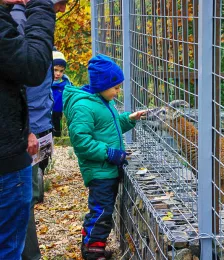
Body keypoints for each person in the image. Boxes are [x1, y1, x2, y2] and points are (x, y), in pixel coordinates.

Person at [63, 54, 147, 260]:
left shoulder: (101, 100)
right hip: (100, 170)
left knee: (101, 210)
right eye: (116, 88)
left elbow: (108, 127)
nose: (118, 92)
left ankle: (90, 245)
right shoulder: (84, 106)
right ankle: (93, 252)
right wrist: (109, 153)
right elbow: (82, 142)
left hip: (107, 168)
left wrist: (128, 119)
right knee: (101, 212)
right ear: (102, 84)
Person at [10, 1, 68, 259]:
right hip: (24, 134)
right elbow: (25, 82)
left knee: (28, 196)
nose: (63, 9)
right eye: (60, 3)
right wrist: (28, 130)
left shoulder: (30, 21)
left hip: (34, 129)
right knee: (23, 201)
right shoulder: (21, 23)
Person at [0, 0, 56, 258]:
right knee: (10, 245)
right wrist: (40, 6)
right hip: (8, 158)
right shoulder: (18, 20)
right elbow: (31, 67)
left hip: (18, 138)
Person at [52, 49, 71, 137]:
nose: (58, 73)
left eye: (61, 71)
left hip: (58, 113)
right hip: (45, 114)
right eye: (55, 70)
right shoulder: (43, 83)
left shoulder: (66, 83)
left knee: (55, 134)